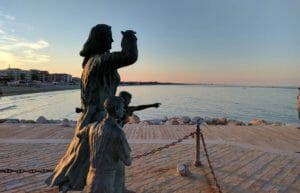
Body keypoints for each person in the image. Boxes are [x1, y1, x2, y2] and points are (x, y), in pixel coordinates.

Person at [46, 24, 138, 191]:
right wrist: (129, 37)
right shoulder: (98, 61)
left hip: (98, 115)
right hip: (97, 117)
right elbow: (129, 56)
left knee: (92, 158)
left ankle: (117, 189)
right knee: (95, 159)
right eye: (109, 37)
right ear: (100, 39)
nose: (112, 40)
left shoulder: (94, 61)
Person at [77, 96, 131, 193]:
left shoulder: (92, 127)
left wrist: (88, 114)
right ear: (116, 109)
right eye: (122, 107)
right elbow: (128, 161)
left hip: (90, 179)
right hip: (106, 183)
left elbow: (79, 133)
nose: (124, 110)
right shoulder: (118, 132)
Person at [114, 91, 160, 193]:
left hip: (117, 135)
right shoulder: (117, 109)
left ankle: (119, 187)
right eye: (129, 100)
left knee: (119, 164)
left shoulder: (125, 109)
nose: (130, 101)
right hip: (114, 136)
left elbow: (139, 107)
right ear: (123, 99)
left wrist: (152, 105)